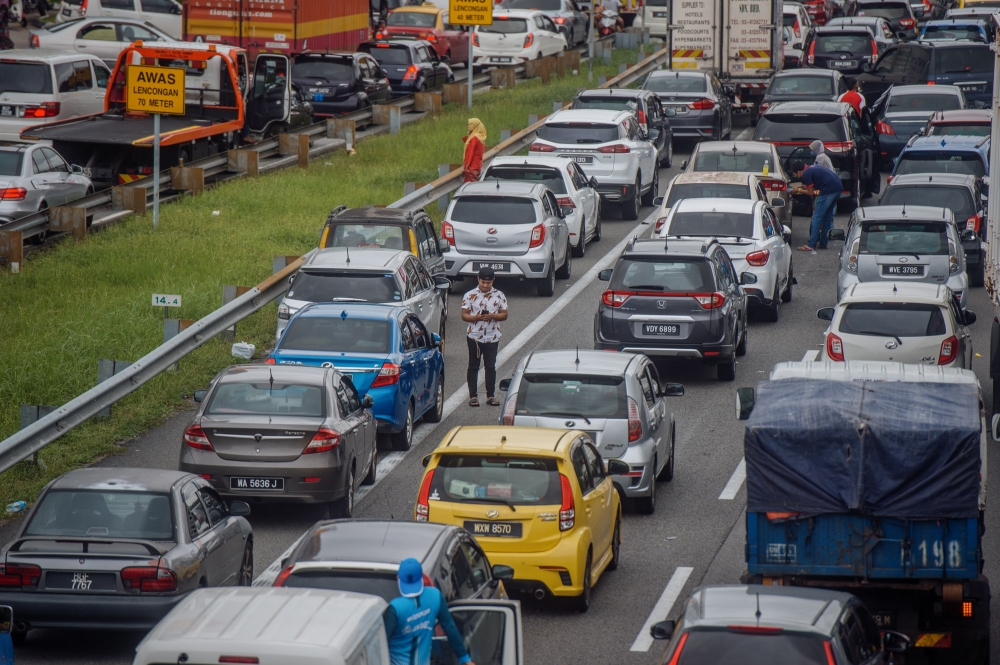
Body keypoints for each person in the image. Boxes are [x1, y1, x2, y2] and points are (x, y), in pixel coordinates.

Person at [385, 558, 475, 665]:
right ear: (422, 578)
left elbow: (378, 642)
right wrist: (465, 658)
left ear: (398, 578)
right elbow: (450, 627)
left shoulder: (395, 608)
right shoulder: (435, 597)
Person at [462, 266, 507, 407]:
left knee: (490, 366)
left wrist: (493, 316)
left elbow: (504, 314)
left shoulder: (499, 295)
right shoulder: (469, 295)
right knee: (473, 366)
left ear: (493, 281)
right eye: (483, 282)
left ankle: (490, 395)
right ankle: (473, 396)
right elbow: (464, 315)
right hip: (474, 337)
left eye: (488, 283)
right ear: (478, 280)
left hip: (492, 337)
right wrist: (476, 317)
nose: (485, 285)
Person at [790, 160, 842, 252]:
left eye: (795, 174)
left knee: (816, 217)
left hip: (828, 192)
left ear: (798, 172)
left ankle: (811, 244)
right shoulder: (811, 168)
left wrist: (798, 191)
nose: (796, 177)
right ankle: (823, 243)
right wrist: (802, 187)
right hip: (837, 188)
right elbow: (814, 185)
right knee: (826, 217)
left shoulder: (806, 173)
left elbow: (810, 193)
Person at [462, 118, 486, 183]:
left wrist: (466, 166)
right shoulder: (480, 137)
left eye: (470, 124)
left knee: (469, 188)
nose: (468, 126)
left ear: (474, 126)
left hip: (471, 167)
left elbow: (470, 153)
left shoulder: (474, 138)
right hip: (477, 166)